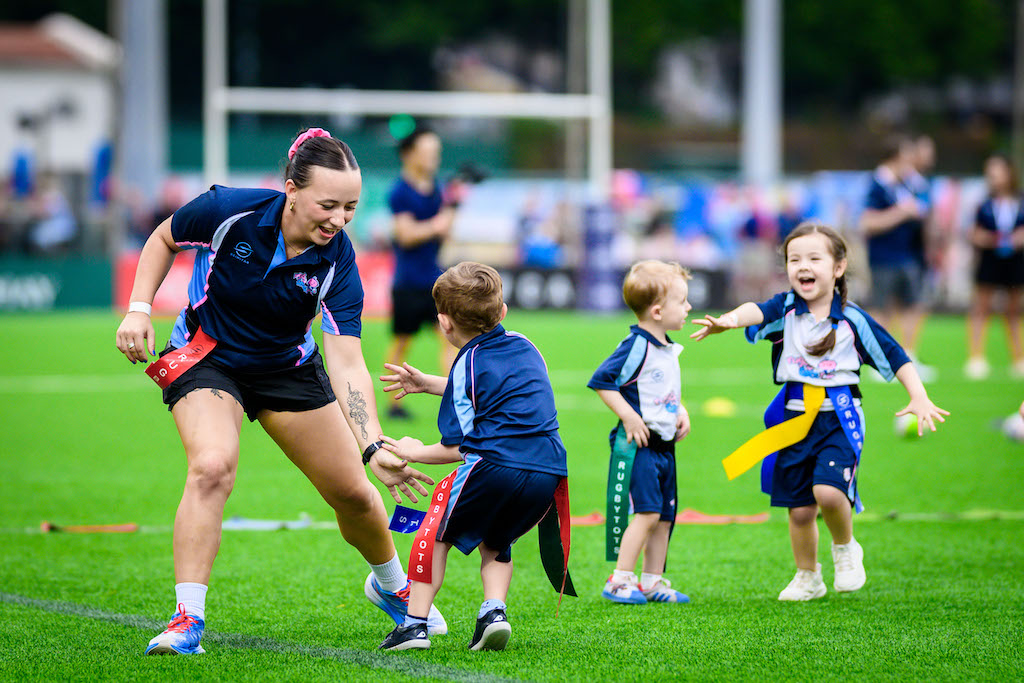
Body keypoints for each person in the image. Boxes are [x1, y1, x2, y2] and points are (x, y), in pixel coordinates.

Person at [114, 127, 446, 655]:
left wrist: (374, 443)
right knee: (212, 466)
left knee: (355, 493)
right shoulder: (228, 211)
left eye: (352, 208)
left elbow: (347, 360)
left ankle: (392, 587)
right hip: (208, 357)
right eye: (328, 204)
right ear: (291, 189)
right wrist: (138, 308)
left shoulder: (339, 260)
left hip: (286, 368)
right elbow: (163, 238)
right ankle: (187, 619)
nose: (339, 220)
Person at [691, 222, 948, 601]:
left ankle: (845, 548)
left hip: (839, 419)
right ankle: (807, 576)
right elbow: (756, 311)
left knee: (828, 493)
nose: (802, 266)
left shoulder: (853, 319)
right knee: (798, 510)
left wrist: (919, 396)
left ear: (838, 267)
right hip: (793, 419)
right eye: (794, 259)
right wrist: (728, 320)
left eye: (814, 258)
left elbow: (895, 355)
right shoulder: (786, 309)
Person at [374, 262, 569, 651]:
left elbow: (458, 447)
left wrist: (413, 452)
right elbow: (493, 389)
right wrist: (430, 383)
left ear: (444, 324)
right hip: (548, 469)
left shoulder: (466, 363)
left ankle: (414, 624)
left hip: (495, 465)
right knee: (497, 537)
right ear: (503, 312)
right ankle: (493, 613)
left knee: (434, 532)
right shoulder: (527, 346)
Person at [588, 260, 693, 605]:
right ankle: (620, 579)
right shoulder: (637, 346)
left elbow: (660, 391)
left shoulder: (666, 347)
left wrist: (680, 410)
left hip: (666, 446)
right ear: (659, 311)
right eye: (683, 301)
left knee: (664, 516)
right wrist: (629, 417)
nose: (689, 307)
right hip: (640, 445)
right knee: (646, 512)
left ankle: (652, 581)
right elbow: (603, 381)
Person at [385, 127, 461, 419]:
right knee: (402, 342)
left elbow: (445, 231)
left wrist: (455, 204)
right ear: (409, 154)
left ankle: (455, 398)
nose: (433, 158)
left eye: (436, 152)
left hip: (434, 280)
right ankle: (394, 405)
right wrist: (438, 224)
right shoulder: (400, 191)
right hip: (407, 282)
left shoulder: (437, 189)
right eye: (427, 151)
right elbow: (405, 234)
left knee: (449, 337)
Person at [859, 137, 936, 380]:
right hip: (884, 257)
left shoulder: (909, 183)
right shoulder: (877, 184)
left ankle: (908, 358)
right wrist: (901, 212)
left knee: (912, 306)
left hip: (910, 255)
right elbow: (868, 222)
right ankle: (880, 362)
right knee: (882, 308)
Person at [964, 154, 1024, 379]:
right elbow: (974, 232)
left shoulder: (1020, 201)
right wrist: (986, 238)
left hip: (1016, 261)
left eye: (997, 171)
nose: (993, 177)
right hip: (989, 260)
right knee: (981, 308)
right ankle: (976, 357)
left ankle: (1018, 359)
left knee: (1014, 311)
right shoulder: (984, 204)